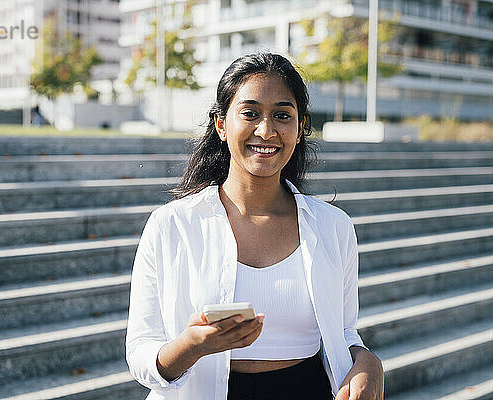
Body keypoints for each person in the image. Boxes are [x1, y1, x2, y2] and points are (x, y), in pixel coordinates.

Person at [125, 52, 384, 400]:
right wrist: (189, 347)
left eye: (282, 115)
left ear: (301, 126)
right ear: (221, 124)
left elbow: (343, 332)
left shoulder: (333, 226)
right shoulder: (173, 225)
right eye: (249, 113)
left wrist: (367, 362)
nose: (266, 130)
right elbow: (141, 350)